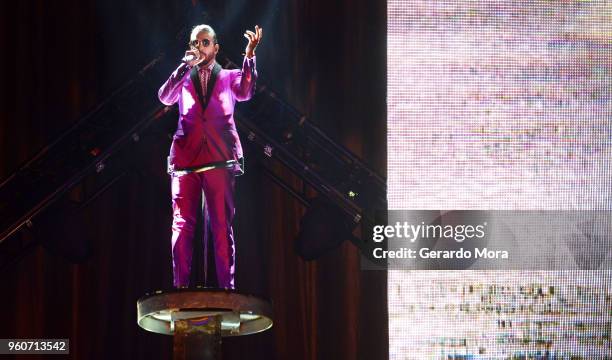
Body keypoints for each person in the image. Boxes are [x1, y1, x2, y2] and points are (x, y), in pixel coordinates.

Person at [158, 24, 263, 289]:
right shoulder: (182, 77)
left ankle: (226, 290)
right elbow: (165, 98)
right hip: (185, 159)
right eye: (195, 43)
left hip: (219, 157)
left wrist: (249, 56)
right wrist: (183, 67)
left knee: (221, 227)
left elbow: (246, 91)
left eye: (205, 43)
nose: (199, 47)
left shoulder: (228, 76)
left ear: (215, 47)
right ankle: (180, 287)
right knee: (181, 226)